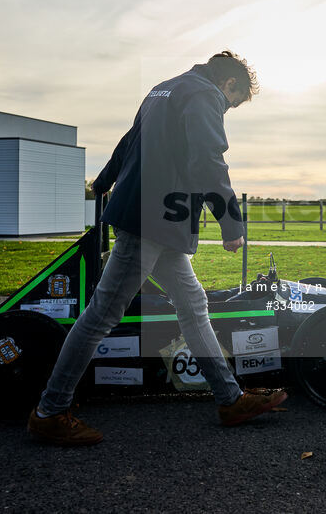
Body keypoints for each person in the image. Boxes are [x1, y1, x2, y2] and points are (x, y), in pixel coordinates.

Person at [27, 51, 287, 446]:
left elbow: (130, 141)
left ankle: (230, 399)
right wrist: (231, 224)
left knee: (193, 306)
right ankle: (49, 411)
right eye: (233, 103)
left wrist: (103, 181)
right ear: (229, 84)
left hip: (158, 222)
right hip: (149, 222)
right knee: (101, 316)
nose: (227, 109)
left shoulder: (163, 89)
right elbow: (208, 161)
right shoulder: (204, 96)